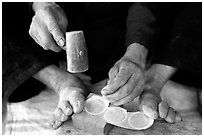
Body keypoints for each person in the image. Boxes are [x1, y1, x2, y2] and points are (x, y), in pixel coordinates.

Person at [3, 2, 201, 131]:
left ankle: (154, 79)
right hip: (56, 35)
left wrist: (136, 54)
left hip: (130, 27)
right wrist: (42, 5)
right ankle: (62, 81)